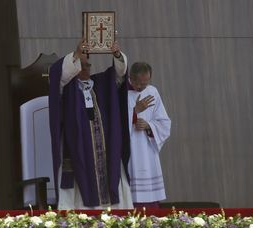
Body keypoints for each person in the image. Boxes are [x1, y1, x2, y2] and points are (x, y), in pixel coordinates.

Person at [49, 39, 133, 209]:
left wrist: (116, 54)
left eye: (88, 65)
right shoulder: (68, 88)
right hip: (78, 150)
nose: (86, 69)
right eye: (82, 65)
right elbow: (58, 74)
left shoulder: (101, 83)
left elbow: (119, 76)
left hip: (106, 149)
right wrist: (76, 54)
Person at [128, 62, 171, 209]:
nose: (143, 88)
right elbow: (113, 124)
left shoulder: (152, 91)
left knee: (150, 201)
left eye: (146, 83)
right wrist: (134, 113)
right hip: (130, 150)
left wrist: (149, 126)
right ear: (131, 78)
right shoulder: (120, 92)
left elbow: (164, 122)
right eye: (140, 84)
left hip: (147, 150)